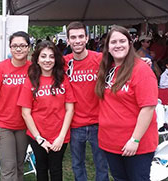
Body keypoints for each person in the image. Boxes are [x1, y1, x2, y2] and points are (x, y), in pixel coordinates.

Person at [95, 25, 158, 181]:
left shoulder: (141, 70)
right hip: (110, 142)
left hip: (137, 144)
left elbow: (148, 108)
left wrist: (135, 140)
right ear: (107, 47)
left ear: (130, 44)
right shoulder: (106, 68)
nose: (118, 45)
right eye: (113, 42)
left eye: (122, 41)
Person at [18, 40, 76, 181]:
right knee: (41, 169)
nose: (47, 60)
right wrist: (39, 138)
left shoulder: (63, 79)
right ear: (37, 59)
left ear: (56, 59)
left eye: (51, 56)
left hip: (59, 135)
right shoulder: (30, 81)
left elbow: (70, 109)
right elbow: (25, 113)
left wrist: (61, 137)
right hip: (37, 136)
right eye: (43, 56)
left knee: (56, 169)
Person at [64, 21, 109, 181]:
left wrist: (142, 63)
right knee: (77, 164)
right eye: (73, 37)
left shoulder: (100, 59)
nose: (77, 41)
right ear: (68, 40)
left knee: (101, 165)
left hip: (98, 121)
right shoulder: (64, 63)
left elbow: (122, 65)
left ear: (87, 38)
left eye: (81, 36)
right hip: (75, 124)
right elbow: (42, 69)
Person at [0, 31, 30, 181]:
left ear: (28, 47)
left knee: (19, 165)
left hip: (24, 125)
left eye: (22, 45)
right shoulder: (0, 68)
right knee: (8, 167)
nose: (18, 49)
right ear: (10, 48)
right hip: (4, 125)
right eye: (14, 46)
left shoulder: (34, 69)